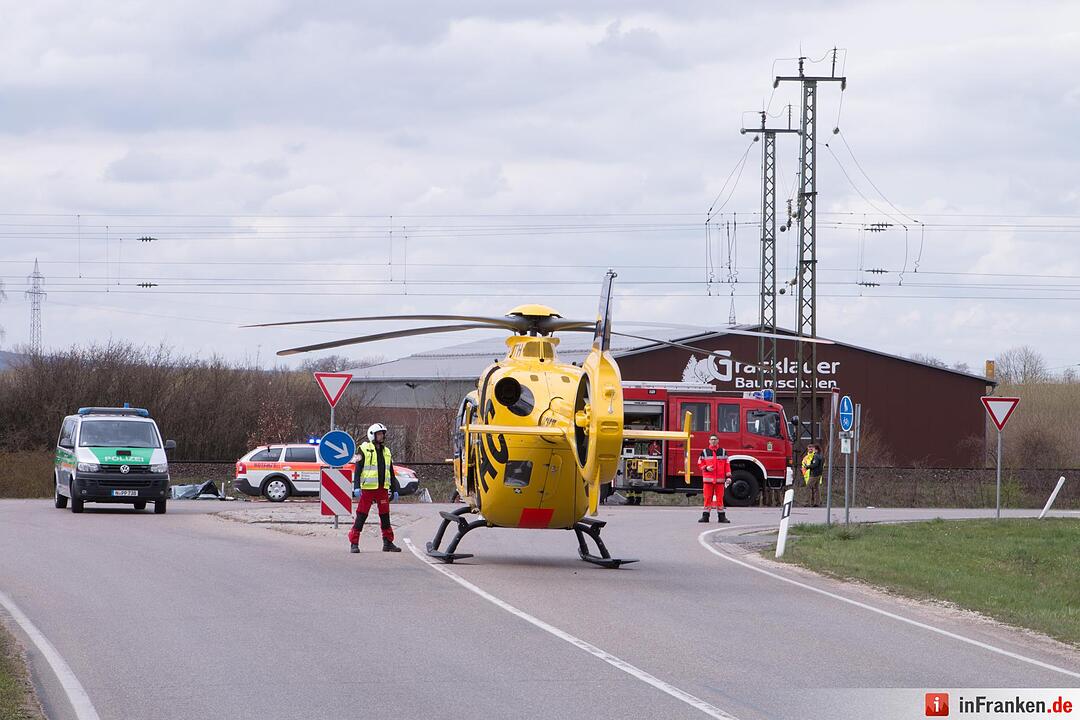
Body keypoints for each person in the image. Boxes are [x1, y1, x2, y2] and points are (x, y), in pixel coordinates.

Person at [348, 423, 402, 553]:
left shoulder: (387, 451)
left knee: (385, 516)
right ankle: (354, 543)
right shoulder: (363, 449)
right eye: (379, 434)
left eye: (382, 434)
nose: (381, 436)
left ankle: (388, 542)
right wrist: (356, 487)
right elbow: (358, 469)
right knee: (361, 515)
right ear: (372, 435)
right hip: (368, 489)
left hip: (382, 489)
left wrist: (394, 490)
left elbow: (391, 471)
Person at [698, 435, 731, 523]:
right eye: (712, 439)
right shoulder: (704, 452)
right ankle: (705, 517)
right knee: (707, 498)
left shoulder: (723, 452)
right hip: (708, 480)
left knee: (720, 499)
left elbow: (727, 465)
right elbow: (700, 463)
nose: (713, 441)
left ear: (718, 441)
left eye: (715, 439)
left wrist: (728, 477)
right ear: (709, 441)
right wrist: (706, 468)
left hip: (720, 480)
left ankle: (721, 517)